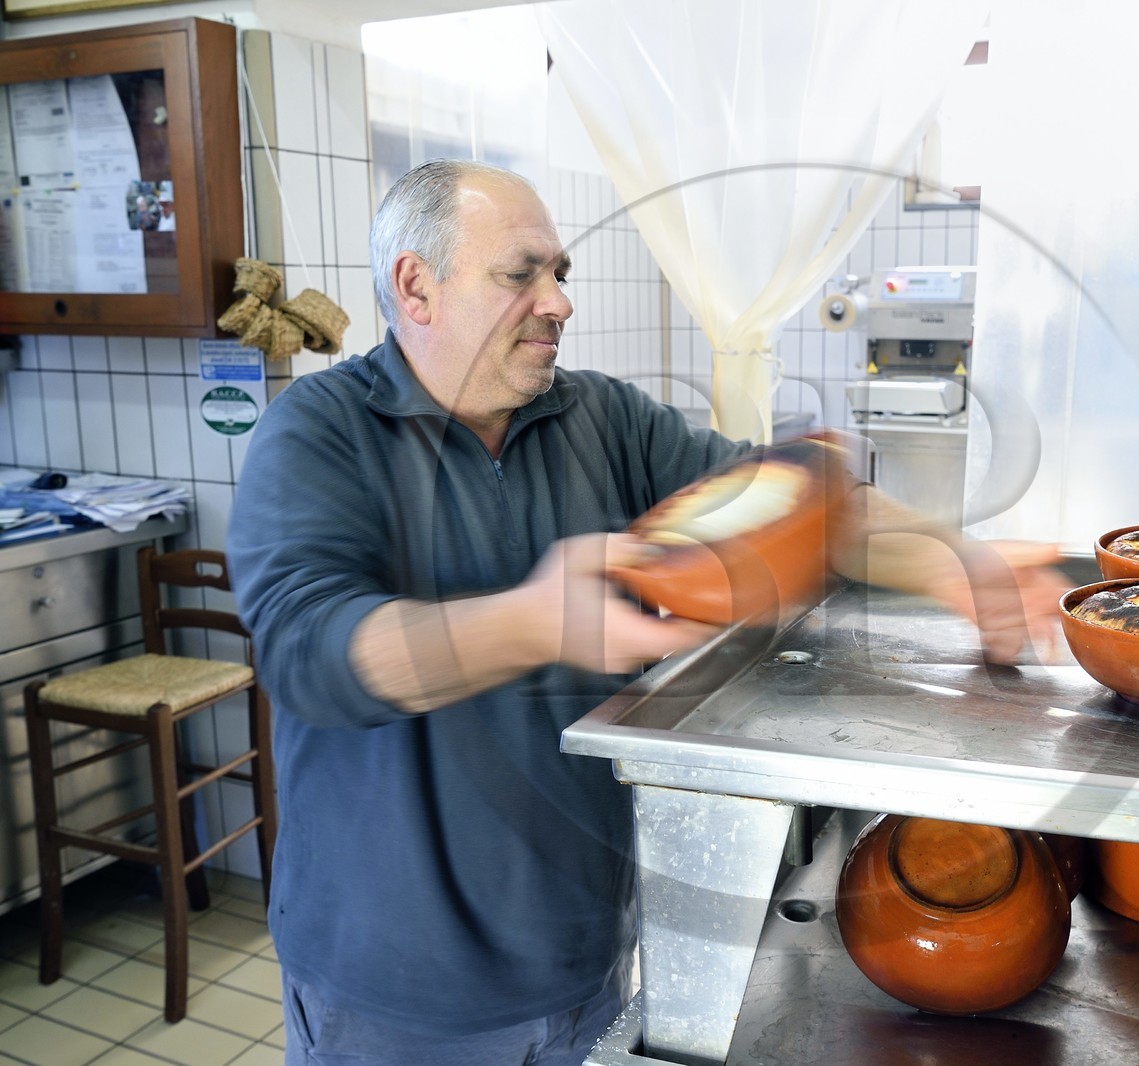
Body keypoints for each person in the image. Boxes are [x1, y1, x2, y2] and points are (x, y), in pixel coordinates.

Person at [227, 158, 1064, 1065]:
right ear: (416, 285)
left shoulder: (598, 418)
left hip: (587, 958)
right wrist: (536, 621)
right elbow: (309, 653)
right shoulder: (319, 434)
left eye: (560, 274)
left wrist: (955, 564)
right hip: (397, 989)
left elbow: (790, 502)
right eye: (521, 274)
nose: (558, 302)